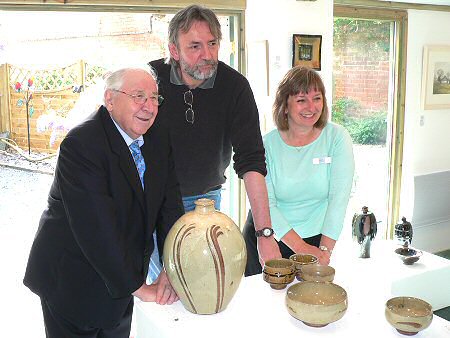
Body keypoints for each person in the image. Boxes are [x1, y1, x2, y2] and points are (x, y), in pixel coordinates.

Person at [23, 67, 184, 338]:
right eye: (139, 96)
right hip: (72, 281)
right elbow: (97, 229)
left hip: (121, 278)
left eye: (155, 98)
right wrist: (140, 288)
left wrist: (172, 267)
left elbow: (170, 206)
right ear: (110, 100)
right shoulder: (82, 145)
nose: (149, 106)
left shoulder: (156, 138)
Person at [149, 5, 280, 265]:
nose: (207, 55)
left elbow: (251, 160)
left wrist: (264, 234)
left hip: (205, 201)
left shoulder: (234, 87)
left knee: (201, 278)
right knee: (164, 290)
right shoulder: (151, 80)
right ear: (174, 50)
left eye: (212, 43)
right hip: (153, 200)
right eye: (195, 46)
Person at [243, 66, 355, 276]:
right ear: (285, 106)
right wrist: (302, 249)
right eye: (302, 100)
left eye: (317, 98)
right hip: (268, 240)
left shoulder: (337, 138)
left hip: (317, 241)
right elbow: (267, 204)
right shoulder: (265, 145)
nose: (311, 107)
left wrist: (323, 251)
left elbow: (338, 199)